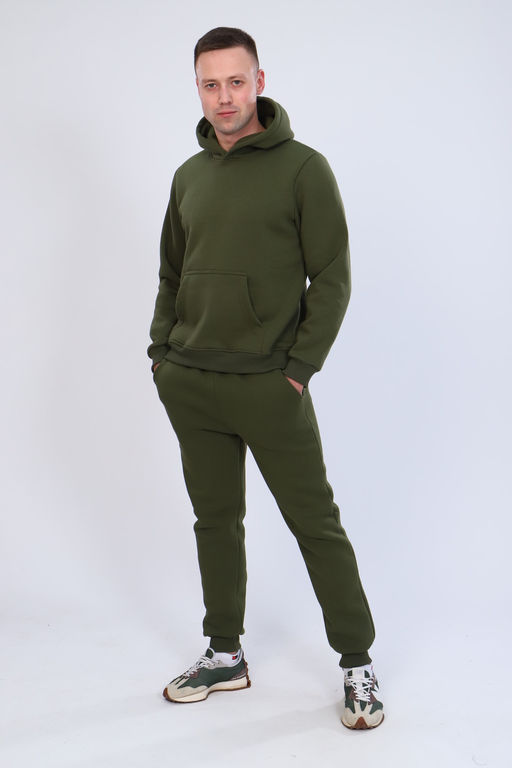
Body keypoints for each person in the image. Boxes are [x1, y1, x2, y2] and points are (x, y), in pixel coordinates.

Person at [148, 26, 384, 730]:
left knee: (315, 523)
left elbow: (332, 277)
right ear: (198, 89)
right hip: (193, 380)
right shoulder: (188, 177)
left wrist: (298, 370)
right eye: (210, 84)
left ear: (259, 82)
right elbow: (171, 273)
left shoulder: (304, 169)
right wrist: (162, 355)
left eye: (236, 81)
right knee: (215, 522)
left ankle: (357, 664)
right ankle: (224, 653)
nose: (224, 97)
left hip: (270, 385)